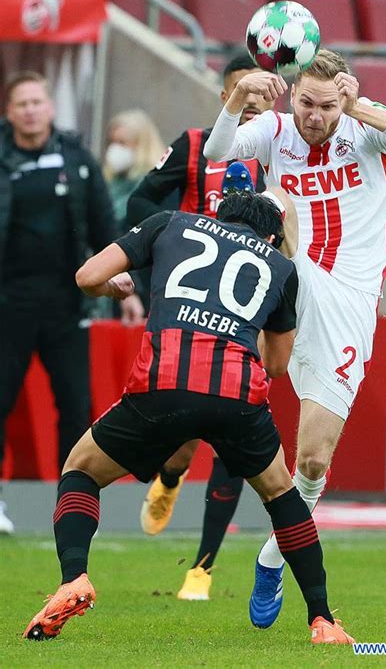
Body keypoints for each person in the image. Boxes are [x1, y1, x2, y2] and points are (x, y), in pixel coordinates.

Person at [22, 191, 353, 646]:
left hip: (163, 384)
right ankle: (323, 620)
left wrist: (113, 288)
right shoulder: (281, 267)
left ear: (217, 216)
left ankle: (74, 578)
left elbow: (86, 277)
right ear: (273, 236)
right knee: (281, 495)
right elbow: (277, 365)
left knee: (81, 469)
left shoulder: (169, 223)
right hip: (235, 395)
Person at [203, 48, 386, 630]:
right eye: (306, 102)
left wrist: (365, 109)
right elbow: (214, 151)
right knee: (267, 205)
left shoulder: (363, 128)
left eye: (326, 104)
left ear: (344, 97)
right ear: (294, 96)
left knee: (311, 458)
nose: (313, 114)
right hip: (293, 276)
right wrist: (237, 100)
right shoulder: (275, 131)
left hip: (352, 299)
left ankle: (270, 559)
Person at [127, 54, 277, 601]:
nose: (254, 101)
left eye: (263, 92)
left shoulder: (280, 150)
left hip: (250, 302)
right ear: (225, 99)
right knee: (186, 427)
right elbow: (142, 198)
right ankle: (170, 476)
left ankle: (203, 569)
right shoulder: (196, 145)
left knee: (235, 424)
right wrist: (155, 259)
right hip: (193, 298)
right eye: (244, 91)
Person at [0, 71, 120, 534]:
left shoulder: (77, 160)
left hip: (67, 307)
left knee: (75, 405)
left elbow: (105, 228)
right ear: (9, 112)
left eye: (36, 101)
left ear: (50, 107)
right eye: (21, 103)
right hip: (8, 304)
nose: (30, 110)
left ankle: (71, 506)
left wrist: (123, 279)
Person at [101, 108, 173, 321]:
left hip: (147, 282)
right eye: (112, 142)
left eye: (123, 143)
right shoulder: (108, 184)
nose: (115, 149)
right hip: (114, 278)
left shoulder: (157, 187)